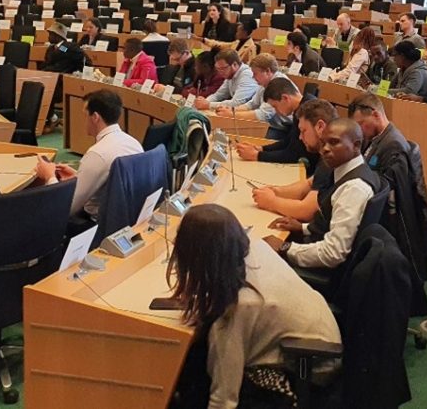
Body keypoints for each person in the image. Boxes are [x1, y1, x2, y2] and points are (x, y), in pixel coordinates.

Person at [167, 204, 340, 409]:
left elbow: (224, 400)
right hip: (318, 340)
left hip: (309, 368)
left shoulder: (238, 307)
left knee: (194, 369)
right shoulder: (257, 248)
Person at [347, 94, 427, 314]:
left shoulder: (392, 146)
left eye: (361, 124)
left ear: (375, 115)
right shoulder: (380, 140)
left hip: (392, 224)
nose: (360, 131)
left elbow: (387, 196)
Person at [264, 118, 385, 269]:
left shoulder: (354, 188)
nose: (325, 149)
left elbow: (333, 253)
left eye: (334, 142)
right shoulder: (346, 171)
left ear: (356, 145)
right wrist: (303, 227)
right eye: (323, 143)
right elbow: (331, 223)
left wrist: (285, 248)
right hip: (317, 243)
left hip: (326, 269)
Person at [34, 89, 142, 222]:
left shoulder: (97, 154)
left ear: (95, 117)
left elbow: (66, 208)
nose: (84, 120)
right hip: (128, 218)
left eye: (85, 115)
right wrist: (78, 176)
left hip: (95, 224)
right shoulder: (133, 142)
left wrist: (49, 176)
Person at [250, 99, 339, 222]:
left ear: (320, 126)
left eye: (303, 131)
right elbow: (308, 185)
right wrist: (275, 191)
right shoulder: (328, 154)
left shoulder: (334, 159)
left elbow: (306, 211)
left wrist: (271, 201)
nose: (300, 137)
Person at [236, 77, 318, 166]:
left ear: (285, 98)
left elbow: (294, 155)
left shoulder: (307, 112)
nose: (276, 111)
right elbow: (288, 141)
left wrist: (256, 155)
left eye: (275, 106)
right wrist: (261, 148)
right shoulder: (301, 107)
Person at [219, 54, 294, 139]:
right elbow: (252, 104)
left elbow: (263, 115)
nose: (253, 77)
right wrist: (232, 110)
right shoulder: (265, 83)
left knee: (244, 135)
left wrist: (233, 114)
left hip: (282, 128)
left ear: (267, 71)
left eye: (255, 74)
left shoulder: (279, 84)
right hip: (271, 124)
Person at [194, 49, 259, 110]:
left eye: (222, 68)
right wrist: (204, 101)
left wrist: (209, 105)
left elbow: (237, 103)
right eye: (218, 69)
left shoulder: (247, 75)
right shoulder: (229, 75)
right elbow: (218, 95)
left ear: (234, 64)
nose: (220, 72)